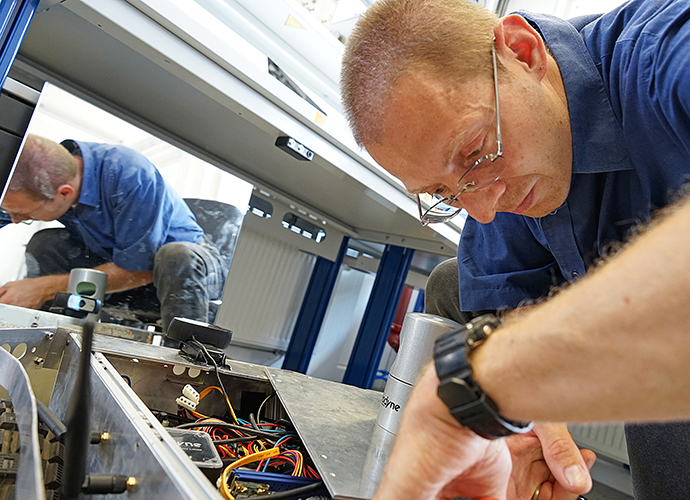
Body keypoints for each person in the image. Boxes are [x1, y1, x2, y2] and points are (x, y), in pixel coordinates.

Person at [340, 0, 690, 498]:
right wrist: (519, 434)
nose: (483, 208)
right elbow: (503, 315)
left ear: (523, 52)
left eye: (476, 153)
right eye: (445, 193)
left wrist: (486, 386)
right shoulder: (494, 195)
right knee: (449, 286)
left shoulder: (668, 51)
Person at [0, 134, 228, 332]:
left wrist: (40, 288)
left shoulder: (130, 173)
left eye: (23, 215)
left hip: (184, 271)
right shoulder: (41, 176)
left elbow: (139, 268)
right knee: (46, 244)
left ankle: (186, 364)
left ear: (64, 192)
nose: (15, 220)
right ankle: (52, 335)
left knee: (175, 256)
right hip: (116, 261)